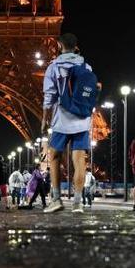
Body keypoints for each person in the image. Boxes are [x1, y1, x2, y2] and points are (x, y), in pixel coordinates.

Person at [42, 33, 98, 214]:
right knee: (79, 160)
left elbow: (49, 96)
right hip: (82, 119)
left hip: (61, 119)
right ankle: (78, 203)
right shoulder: (86, 66)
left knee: (54, 157)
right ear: (76, 46)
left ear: (59, 45)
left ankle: (56, 199)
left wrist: (44, 119)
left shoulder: (53, 67)